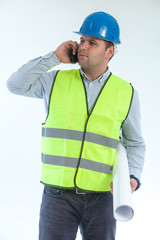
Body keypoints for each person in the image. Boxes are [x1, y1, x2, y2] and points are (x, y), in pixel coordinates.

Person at [7, 11, 145, 240]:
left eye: (92, 42)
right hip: (58, 198)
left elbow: (135, 142)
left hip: (102, 199)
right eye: (81, 40)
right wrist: (54, 58)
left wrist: (133, 176)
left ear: (109, 51)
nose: (83, 46)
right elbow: (15, 85)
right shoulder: (55, 81)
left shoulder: (126, 92)